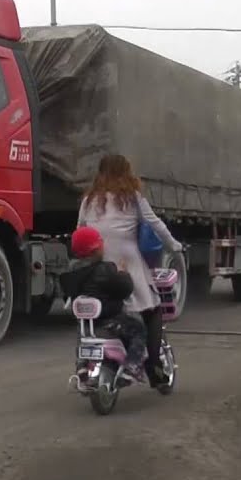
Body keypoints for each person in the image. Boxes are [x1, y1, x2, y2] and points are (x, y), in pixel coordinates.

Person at [77, 153, 183, 383]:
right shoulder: (132, 198)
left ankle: (85, 366)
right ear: (126, 172)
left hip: (99, 263)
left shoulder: (88, 200)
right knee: (152, 310)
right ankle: (153, 368)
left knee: (98, 315)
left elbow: (80, 231)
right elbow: (155, 224)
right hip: (129, 262)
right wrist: (174, 246)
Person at [59, 226, 149, 381]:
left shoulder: (71, 271)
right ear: (96, 249)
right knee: (138, 328)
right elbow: (125, 289)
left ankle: (81, 366)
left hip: (86, 323)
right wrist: (123, 273)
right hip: (109, 320)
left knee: (82, 339)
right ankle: (132, 366)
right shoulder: (105, 270)